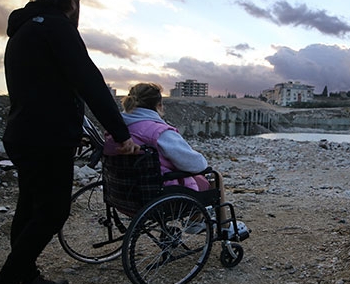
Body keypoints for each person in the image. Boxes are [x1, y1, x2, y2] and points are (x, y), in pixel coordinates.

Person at [0, 0, 140, 284]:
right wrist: (121, 133)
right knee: (53, 211)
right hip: (46, 137)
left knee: (29, 209)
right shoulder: (56, 28)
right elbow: (89, 81)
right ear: (71, 2)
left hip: (24, 133)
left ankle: (26, 277)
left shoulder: (25, 29)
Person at [103, 83, 248, 237]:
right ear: (159, 105)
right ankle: (218, 225)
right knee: (214, 175)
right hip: (155, 195)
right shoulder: (158, 131)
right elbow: (197, 164)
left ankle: (197, 220)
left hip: (122, 195)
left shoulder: (117, 131)